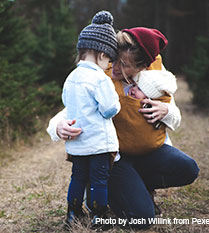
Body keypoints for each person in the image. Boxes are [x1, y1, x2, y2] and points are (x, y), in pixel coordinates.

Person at [47, 25, 200, 229]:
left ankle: (138, 185)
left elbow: (176, 116)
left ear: (142, 66)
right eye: (115, 59)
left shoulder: (155, 78)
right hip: (114, 158)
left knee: (188, 168)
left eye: (125, 65)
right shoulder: (100, 75)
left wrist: (166, 111)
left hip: (148, 152)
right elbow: (71, 108)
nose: (116, 67)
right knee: (141, 218)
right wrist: (58, 126)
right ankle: (109, 189)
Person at [61, 10, 121, 229]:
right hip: (98, 143)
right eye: (110, 60)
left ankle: (72, 213)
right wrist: (115, 100)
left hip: (77, 144)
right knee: (98, 180)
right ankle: (99, 215)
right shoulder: (99, 78)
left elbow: (67, 104)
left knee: (77, 178)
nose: (109, 65)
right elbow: (109, 109)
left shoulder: (71, 77)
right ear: (102, 54)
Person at [115, 69, 177, 155]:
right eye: (134, 85)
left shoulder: (159, 87)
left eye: (139, 89)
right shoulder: (120, 89)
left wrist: (167, 111)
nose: (133, 89)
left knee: (187, 164)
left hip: (154, 147)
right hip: (123, 149)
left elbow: (177, 119)